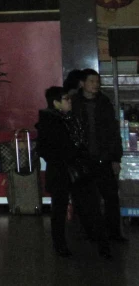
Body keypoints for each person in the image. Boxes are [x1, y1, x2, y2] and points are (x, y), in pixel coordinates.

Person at [36, 86, 110, 259]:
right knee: (61, 210)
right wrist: (69, 156)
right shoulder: (50, 122)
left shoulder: (72, 119)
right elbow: (47, 149)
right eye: (66, 99)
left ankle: (101, 243)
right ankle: (61, 244)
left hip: (77, 169)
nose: (70, 102)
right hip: (63, 170)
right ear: (56, 103)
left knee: (89, 206)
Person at [71, 68, 126, 243]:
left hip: (103, 157)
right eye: (92, 81)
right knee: (86, 198)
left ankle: (114, 233)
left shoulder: (104, 102)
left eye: (97, 81)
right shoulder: (74, 103)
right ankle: (89, 233)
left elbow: (113, 131)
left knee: (110, 196)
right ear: (83, 83)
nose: (96, 85)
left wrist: (115, 157)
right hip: (83, 159)